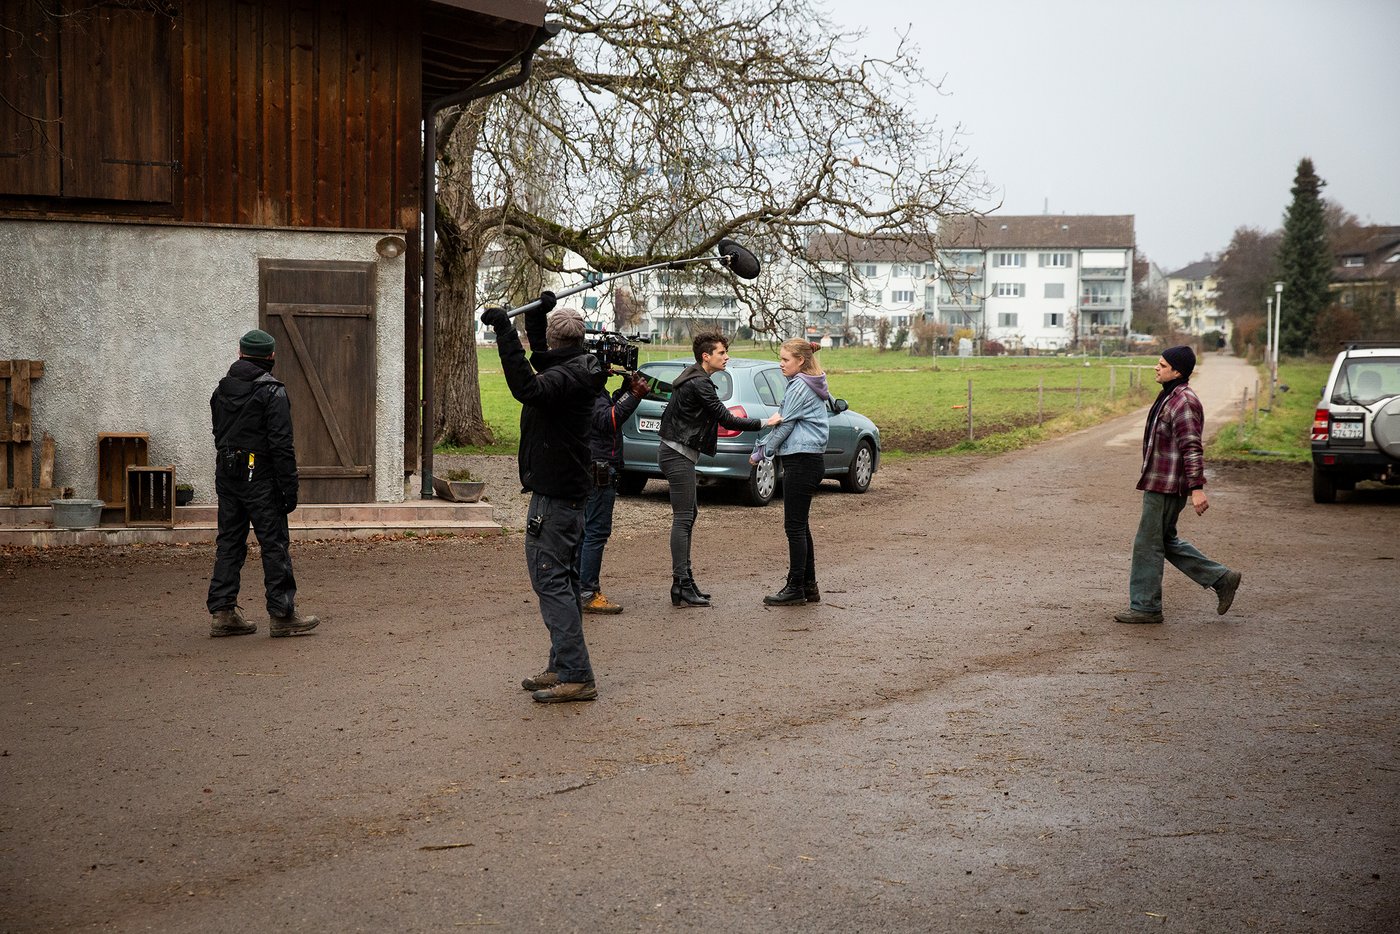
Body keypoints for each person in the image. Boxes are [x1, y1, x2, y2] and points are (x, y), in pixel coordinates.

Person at [481, 297, 605, 703]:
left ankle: (576, 673)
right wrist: (534, 317)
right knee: (563, 581)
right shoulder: (577, 367)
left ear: (557, 340)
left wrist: (505, 333)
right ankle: (561, 665)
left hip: (556, 498)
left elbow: (526, 386)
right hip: (565, 494)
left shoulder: (565, 379)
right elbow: (545, 362)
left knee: (549, 579)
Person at [1116, 345, 1242, 624]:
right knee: (1164, 541)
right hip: (1161, 482)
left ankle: (1145, 607)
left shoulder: (1183, 401)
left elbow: (1192, 447)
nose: (1156, 367)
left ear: (1177, 371)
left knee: (1147, 544)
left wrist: (1196, 487)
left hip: (1168, 486)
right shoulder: (1170, 396)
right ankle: (1221, 578)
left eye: (1162, 364)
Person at [206, 329, 319, 638]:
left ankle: (222, 611)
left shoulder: (220, 391)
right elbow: (282, 446)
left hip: (228, 476)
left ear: (240, 354)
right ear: (270, 357)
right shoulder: (273, 392)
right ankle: (282, 614)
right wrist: (289, 488)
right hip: (262, 479)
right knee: (274, 544)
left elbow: (219, 436)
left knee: (229, 541)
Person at [657, 331, 771, 607]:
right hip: (677, 454)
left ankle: (686, 581)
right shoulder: (699, 383)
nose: (727, 356)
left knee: (689, 514)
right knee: (683, 518)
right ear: (706, 356)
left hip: (677, 452)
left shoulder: (694, 376)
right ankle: (680, 583)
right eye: (722, 352)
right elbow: (725, 418)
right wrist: (766, 422)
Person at [750, 339, 831, 606]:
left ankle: (795, 587)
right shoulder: (809, 383)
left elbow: (783, 425)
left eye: (785, 359)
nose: (780, 363)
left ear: (800, 361)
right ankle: (809, 586)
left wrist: (761, 452)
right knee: (801, 526)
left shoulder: (800, 386)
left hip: (802, 460)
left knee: (794, 527)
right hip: (808, 459)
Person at [579, 369, 650, 614]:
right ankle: (587, 592)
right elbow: (607, 421)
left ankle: (577, 587)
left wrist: (623, 392)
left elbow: (607, 412)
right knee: (595, 532)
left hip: (593, 466)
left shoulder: (588, 388)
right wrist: (634, 395)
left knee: (585, 531)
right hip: (598, 469)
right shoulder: (590, 391)